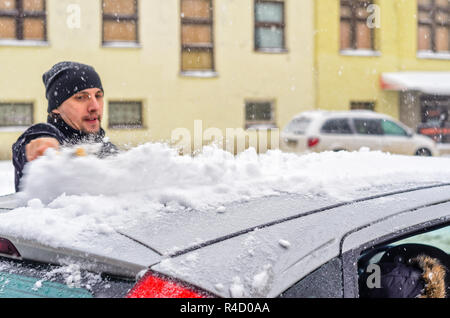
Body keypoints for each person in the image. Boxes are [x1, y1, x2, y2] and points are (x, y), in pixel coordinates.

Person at [12, 61, 118, 192]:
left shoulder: (106, 149)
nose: (95, 106)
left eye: (98, 96)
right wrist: (41, 145)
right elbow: (32, 141)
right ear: (56, 109)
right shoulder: (47, 134)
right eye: (81, 97)